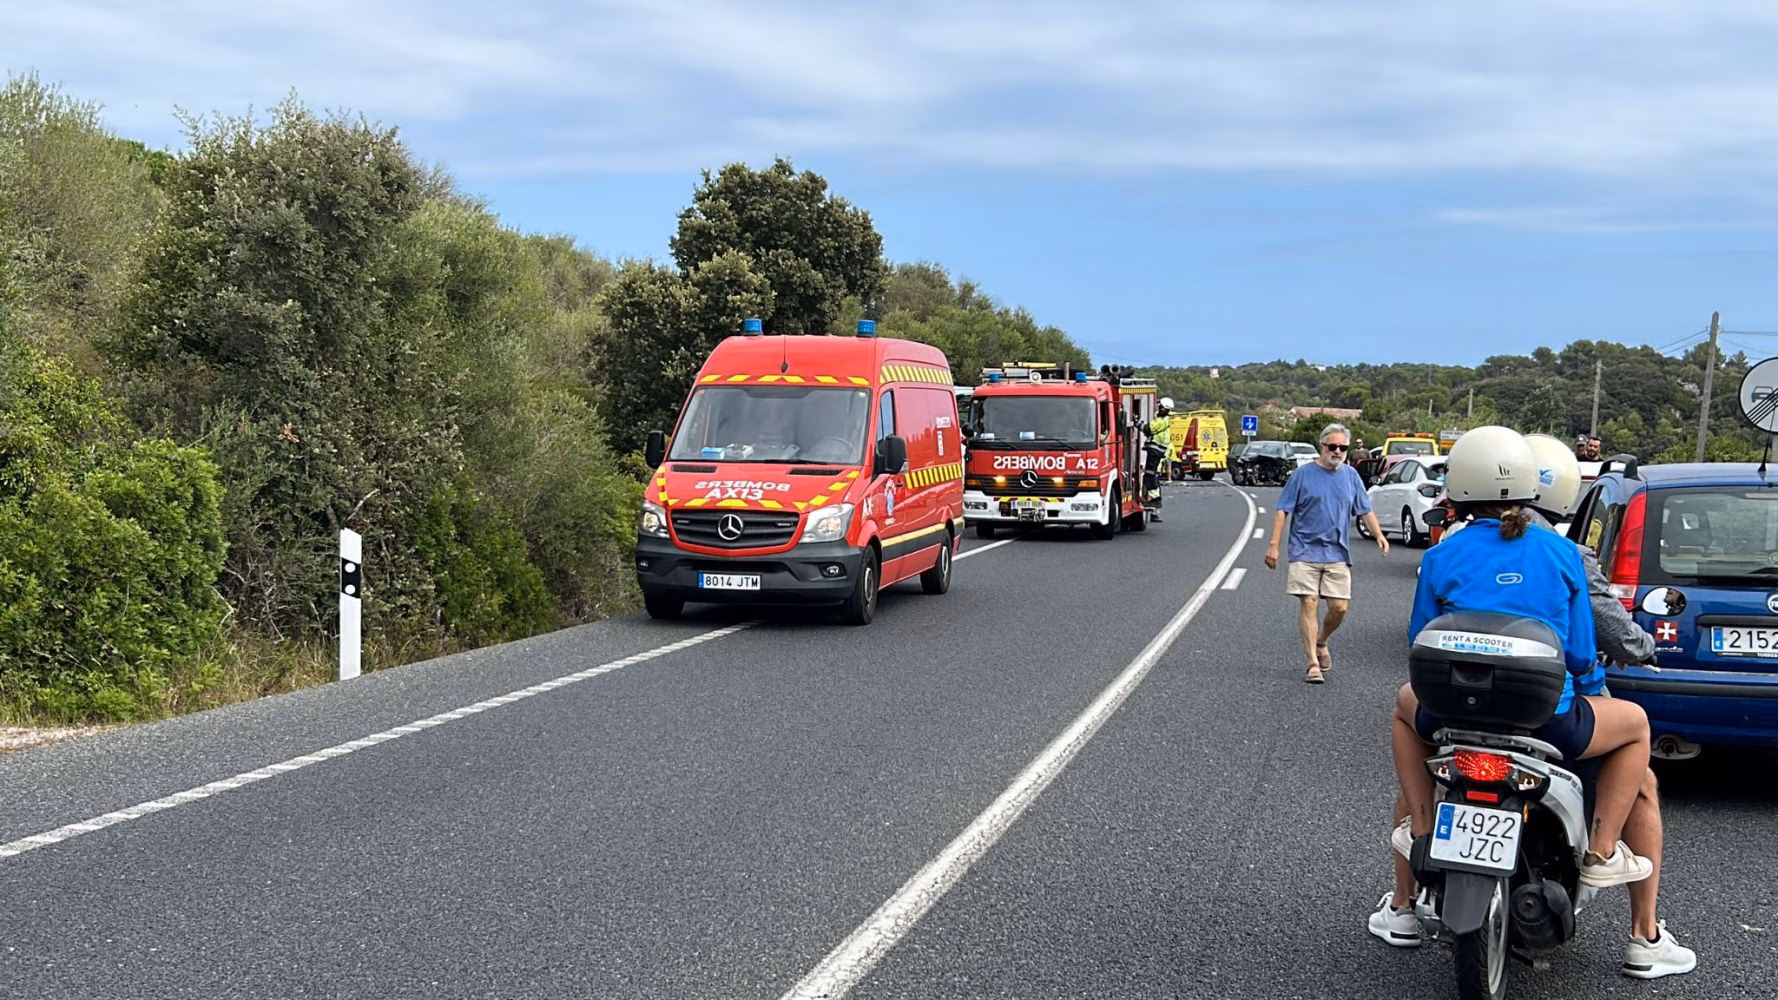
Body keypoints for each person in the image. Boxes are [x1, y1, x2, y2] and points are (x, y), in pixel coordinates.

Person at [1369, 427, 1678, 974]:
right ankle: (1602, 853)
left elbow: (1421, 638)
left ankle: (1413, 860)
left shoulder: (1444, 555)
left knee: (1402, 709)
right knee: (1634, 725)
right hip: (1546, 722)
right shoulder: (1561, 553)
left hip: (1453, 716)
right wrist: (1584, 683)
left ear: (1460, 486)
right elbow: (1583, 654)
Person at [1264, 423, 1388, 683]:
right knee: (1309, 602)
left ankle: (1322, 642)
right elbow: (1282, 509)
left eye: (1343, 448)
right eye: (1333, 447)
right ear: (1322, 447)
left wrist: (1378, 534)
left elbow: (1365, 509)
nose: (1338, 452)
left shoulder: (1351, 476)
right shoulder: (1302, 475)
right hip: (1304, 549)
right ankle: (1312, 663)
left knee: (1339, 608)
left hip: (1337, 552)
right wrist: (1274, 545)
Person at [1142, 398, 1173, 520]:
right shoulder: (1162, 419)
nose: (1159, 408)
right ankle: (1155, 501)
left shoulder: (1162, 421)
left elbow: (1148, 429)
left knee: (1150, 475)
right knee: (1151, 475)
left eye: (1160, 406)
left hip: (1156, 450)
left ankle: (1155, 500)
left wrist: (1136, 422)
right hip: (1156, 450)